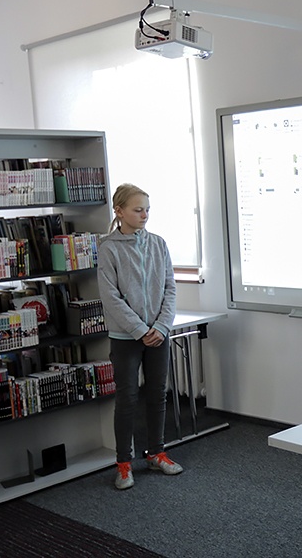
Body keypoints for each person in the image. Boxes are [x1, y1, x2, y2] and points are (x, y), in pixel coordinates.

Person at [97, 183, 181, 491]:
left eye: (147, 209)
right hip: (126, 337)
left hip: (158, 335)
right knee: (128, 397)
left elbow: (170, 288)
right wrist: (139, 330)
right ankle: (123, 463)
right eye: (137, 209)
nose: (144, 214)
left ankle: (157, 452)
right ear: (119, 211)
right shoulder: (109, 248)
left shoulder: (158, 244)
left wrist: (160, 327)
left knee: (158, 393)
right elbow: (110, 296)